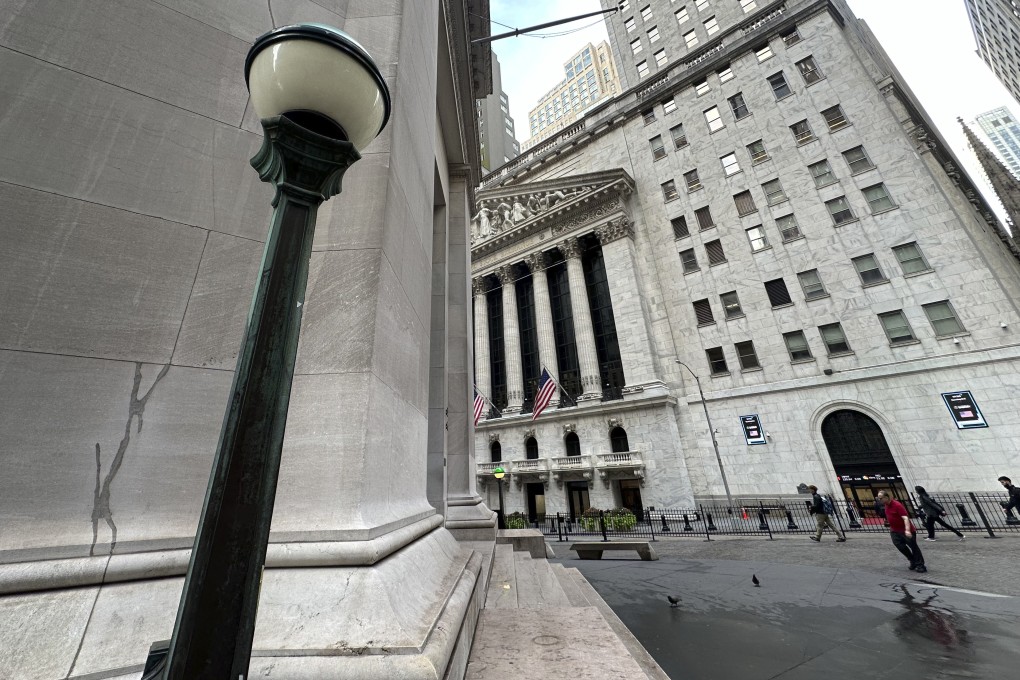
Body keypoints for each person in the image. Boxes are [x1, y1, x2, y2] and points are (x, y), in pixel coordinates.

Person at [877, 490, 926, 573]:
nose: (879, 500)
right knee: (900, 546)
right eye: (878, 498)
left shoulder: (897, 505)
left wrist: (907, 530)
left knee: (913, 547)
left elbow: (905, 518)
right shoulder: (886, 505)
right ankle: (912, 560)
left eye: (880, 498)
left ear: (886, 497)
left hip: (905, 530)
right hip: (894, 530)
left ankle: (920, 565)